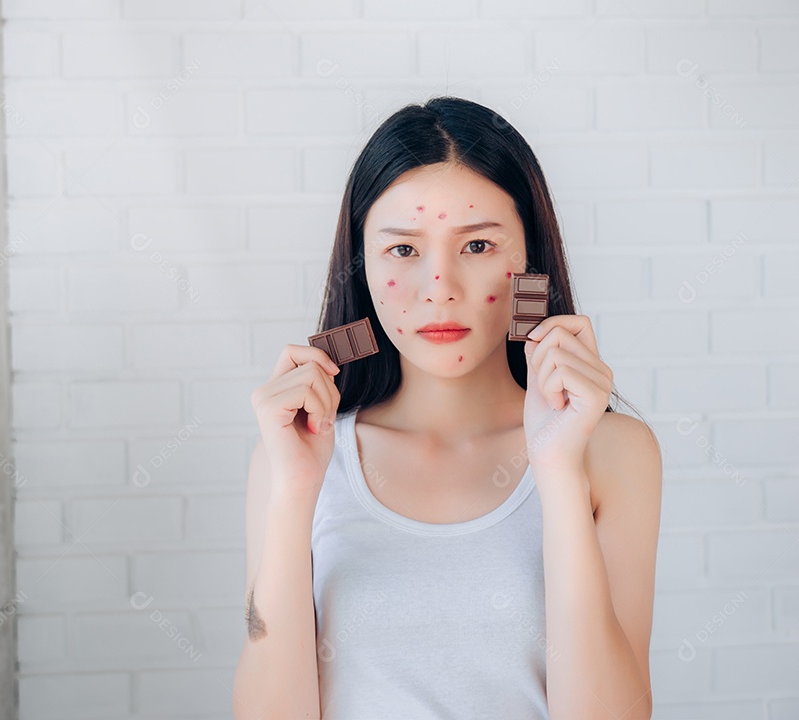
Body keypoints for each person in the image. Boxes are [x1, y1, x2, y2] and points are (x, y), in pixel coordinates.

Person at [232, 96, 662, 719]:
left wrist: (559, 471)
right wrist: (296, 492)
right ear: (363, 269)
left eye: (479, 246)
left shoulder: (612, 452)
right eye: (403, 251)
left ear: (528, 267)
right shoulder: (294, 457)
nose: (441, 289)